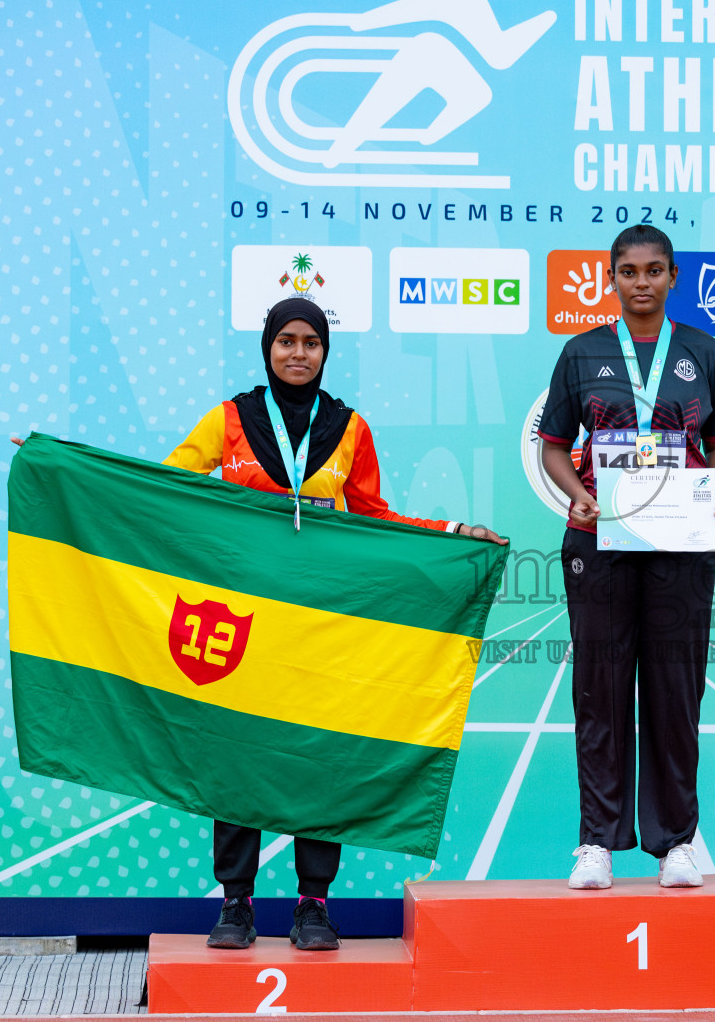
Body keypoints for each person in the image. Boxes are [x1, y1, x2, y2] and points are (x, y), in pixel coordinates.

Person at [163, 297, 506, 950]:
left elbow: (375, 517)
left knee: (321, 760)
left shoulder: (350, 429)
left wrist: (455, 533)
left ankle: (313, 905)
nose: (298, 353)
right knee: (237, 760)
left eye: (311, 342)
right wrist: (69, 470)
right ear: (267, 348)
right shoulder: (230, 421)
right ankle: (236, 906)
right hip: (243, 624)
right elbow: (166, 489)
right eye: (286, 340)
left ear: (325, 351)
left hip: (323, 627)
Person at [538, 225, 715, 890]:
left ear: (674, 277)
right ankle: (597, 840)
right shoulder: (582, 351)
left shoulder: (703, 352)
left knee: (675, 692)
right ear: (612, 278)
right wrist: (577, 494)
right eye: (629, 271)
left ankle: (674, 842)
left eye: (654, 270)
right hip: (600, 540)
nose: (642, 282)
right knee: (599, 690)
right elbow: (553, 446)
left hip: (680, 542)